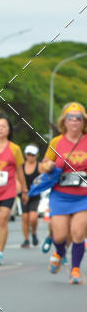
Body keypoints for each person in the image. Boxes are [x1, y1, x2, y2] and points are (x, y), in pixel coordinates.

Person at [41, 101, 87, 284]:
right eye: (71, 117)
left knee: (77, 233)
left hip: (83, 197)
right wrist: (49, 166)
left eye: (79, 118)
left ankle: (75, 269)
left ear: (83, 122)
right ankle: (59, 252)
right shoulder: (56, 142)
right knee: (59, 236)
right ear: (64, 121)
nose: (75, 121)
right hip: (60, 195)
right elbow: (42, 166)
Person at [0, 117, 28, 264]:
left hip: (8, 190)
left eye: (4, 126)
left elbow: (19, 171)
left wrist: (24, 190)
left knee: (3, 219)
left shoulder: (15, 149)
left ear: (9, 130)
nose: (0, 129)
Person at [19, 144, 40, 247]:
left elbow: (42, 181)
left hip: (35, 194)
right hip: (23, 194)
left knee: (33, 217)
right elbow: (17, 180)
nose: (30, 157)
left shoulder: (39, 167)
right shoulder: (21, 166)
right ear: (25, 155)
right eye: (28, 154)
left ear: (36, 155)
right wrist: (23, 192)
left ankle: (34, 233)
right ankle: (26, 239)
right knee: (25, 217)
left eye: (33, 155)